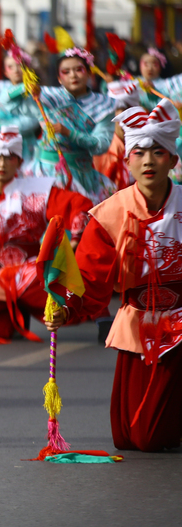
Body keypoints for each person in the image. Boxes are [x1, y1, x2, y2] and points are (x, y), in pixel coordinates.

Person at [58, 99, 182, 452]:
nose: (148, 161)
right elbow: (88, 273)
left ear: (173, 160)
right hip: (137, 323)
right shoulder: (112, 212)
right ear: (127, 160)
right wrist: (66, 307)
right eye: (139, 153)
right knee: (125, 437)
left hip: (180, 324)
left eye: (158, 152)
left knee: (150, 437)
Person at [0, 126, 92, 343]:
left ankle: (100, 317)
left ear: (20, 162)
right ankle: (9, 320)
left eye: (10, 157)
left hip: (35, 273)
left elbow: (77, 206)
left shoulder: (37, 191)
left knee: (79, 303)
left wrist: (76, 239)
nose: (2, 164)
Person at [0, 48, 116, 204]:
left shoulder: (104, 105)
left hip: (82, 175)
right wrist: (24, 87)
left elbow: (101, 145)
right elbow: (5, 102)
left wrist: (69, 133)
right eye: (66, 72)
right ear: (59, 78)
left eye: (79, 70)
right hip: (44, 173)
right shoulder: (47, 96)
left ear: (89, 73)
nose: (73, 75)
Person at [94, 79, 142, 191]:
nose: (124, 121)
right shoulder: (102, 149)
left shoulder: (147, 144)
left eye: (128, 111)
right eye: (120, 113)